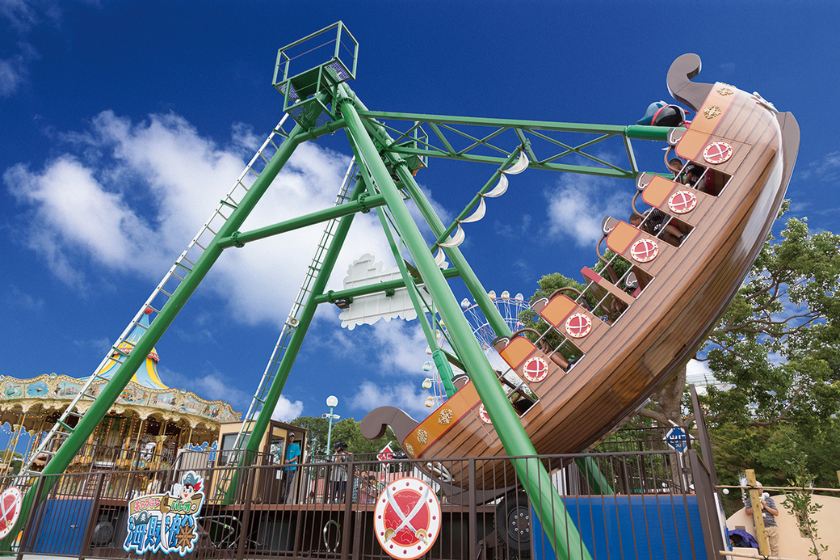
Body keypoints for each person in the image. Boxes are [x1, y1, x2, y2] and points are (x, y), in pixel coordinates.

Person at [745, 483, 780, 558]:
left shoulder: (769, 499)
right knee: (765, 551)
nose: (757, 490)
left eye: (758, 489)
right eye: (755, 489)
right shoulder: (749, 500)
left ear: (762, 489)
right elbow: (747, 512)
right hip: (759, 527)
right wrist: (756, 505)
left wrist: (765, 506)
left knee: (775, 549)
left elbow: (776, 513)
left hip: (772, 526)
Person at [281, 433, 301, 504]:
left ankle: (284, 500)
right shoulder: (284, 446)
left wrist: (289, 461)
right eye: (291, 436)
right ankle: (279, 498)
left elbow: (296, 457)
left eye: (293, 437)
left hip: (291, 468)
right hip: (283, 468)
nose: (292, 438)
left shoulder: (296, 446)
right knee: (280, 483)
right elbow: (280, 454)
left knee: (287, 484)